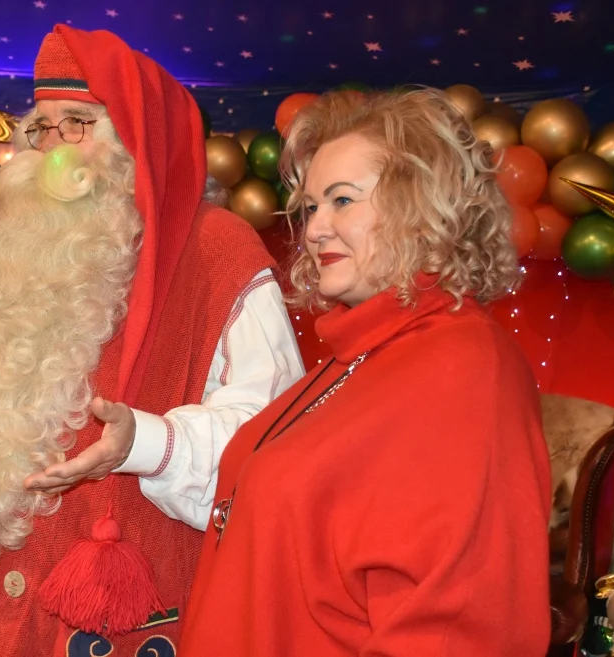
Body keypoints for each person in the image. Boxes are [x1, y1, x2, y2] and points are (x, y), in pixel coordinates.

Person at [0, 25, 304, 656]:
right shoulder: (29, 241)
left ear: (135, 140)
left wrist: (147, 442)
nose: (50, 147)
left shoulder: (217, 251)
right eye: (41, 127)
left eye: (77, 123)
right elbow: (9, 382)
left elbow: (274, 440)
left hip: (98, 615)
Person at [178, 88, 552, 655]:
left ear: (422, 209)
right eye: (310, 207)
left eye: (342, 200)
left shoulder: (465, 366)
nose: (314, 229)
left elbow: (458, 627)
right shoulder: (355, 355)